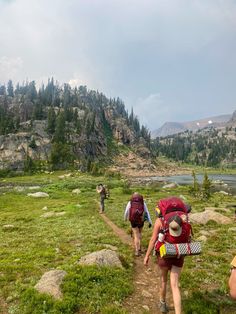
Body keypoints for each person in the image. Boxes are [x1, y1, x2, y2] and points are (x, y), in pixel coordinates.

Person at [144, 214, 185, 314]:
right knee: (175, 285)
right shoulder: (183, 221)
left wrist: (147, 255)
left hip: (164, 255)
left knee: (163, 279)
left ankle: (162, 303)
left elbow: (153, 239)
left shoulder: (160, 221)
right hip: (179, 255)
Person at [124, 192, 152, 256]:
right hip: (141, 220)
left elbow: (126, 211)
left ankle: (137, 250)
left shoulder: (130, 202)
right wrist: (150, 221)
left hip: (133, 220)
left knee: (136, 234)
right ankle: (139, 248)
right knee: (139, 233)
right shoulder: (143, 203)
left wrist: (125, 218)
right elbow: (147, 212)